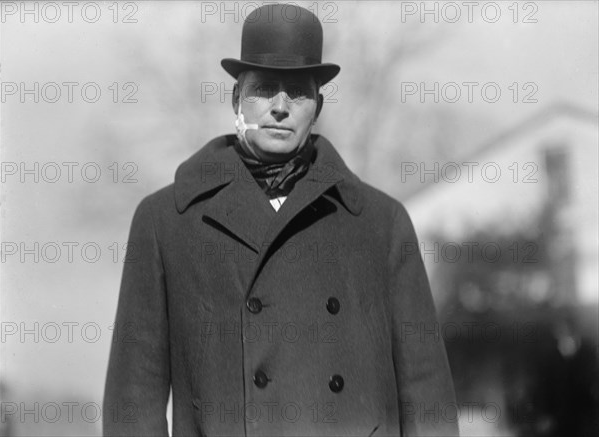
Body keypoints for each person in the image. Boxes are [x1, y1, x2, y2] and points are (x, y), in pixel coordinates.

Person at [103, 4, 459, 437]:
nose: (279, 107)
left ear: (319, 106)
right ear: (236, 99)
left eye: (298, 92)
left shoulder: (381, 223)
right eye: (264, 89)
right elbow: (133, 401)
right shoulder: (166, 222)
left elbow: (427, 395)